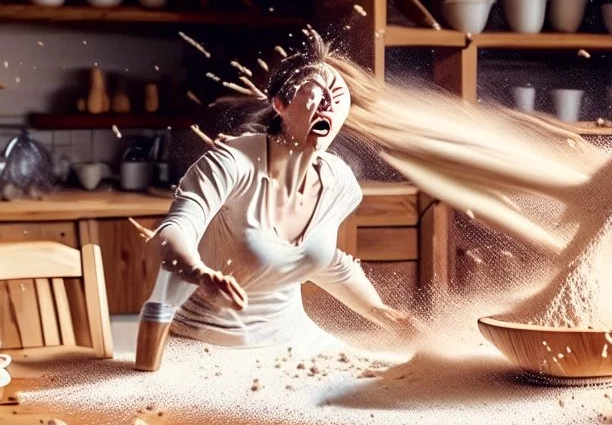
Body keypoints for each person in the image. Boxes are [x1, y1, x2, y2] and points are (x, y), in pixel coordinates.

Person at [136, 37, 414, 365]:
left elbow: (326, 260)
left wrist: (381, 313)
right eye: (318, 92)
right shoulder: (231, 163)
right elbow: (171, 234)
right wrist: (200, 274)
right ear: (281, 103)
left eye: (338, 98)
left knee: (399, 378)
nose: (329, 102)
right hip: (207, 345)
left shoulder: (340, 183)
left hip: (296, 342)